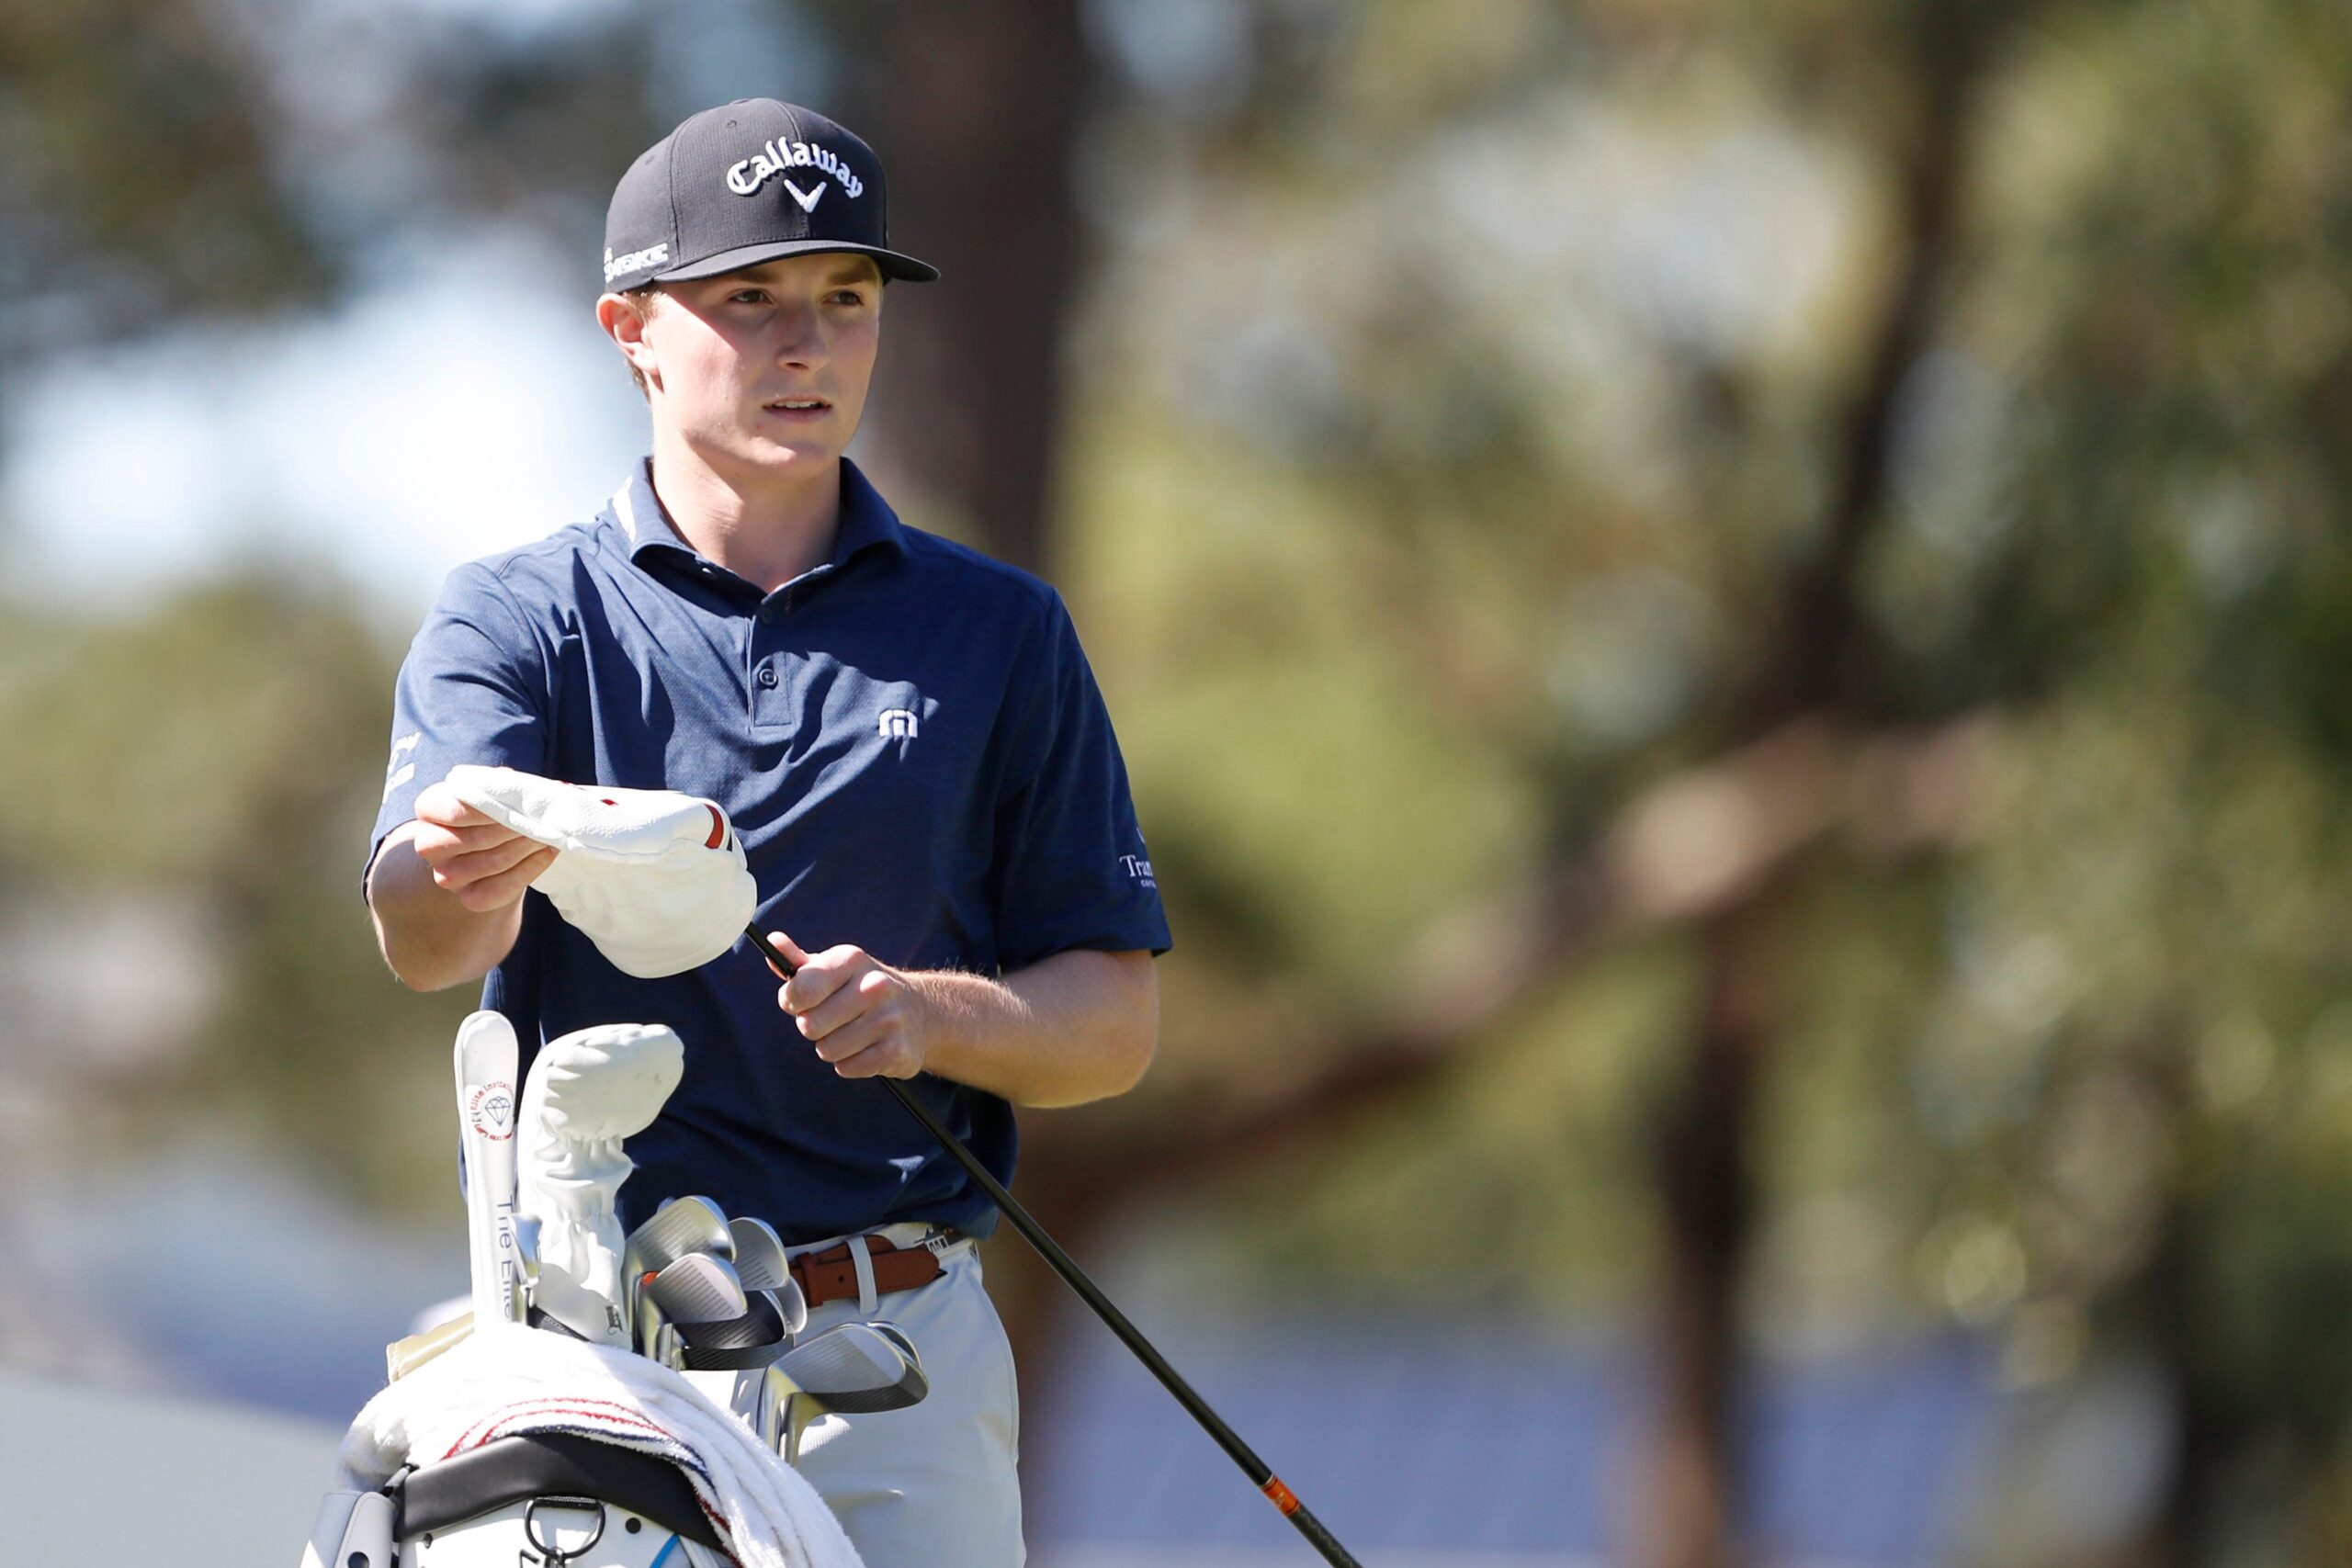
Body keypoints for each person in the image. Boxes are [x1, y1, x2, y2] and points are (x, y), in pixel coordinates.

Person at [362, 97, 1170, 1568]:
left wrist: (925, 1015)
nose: (808, 345)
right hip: (597, 1349)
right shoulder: (517, 617)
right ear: (632, 329)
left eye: (843, 301)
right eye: (751, 300)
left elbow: (1112, 1024)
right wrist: (463, 874)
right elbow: (426, 940)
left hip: (899, 1346)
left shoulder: (999, 633)